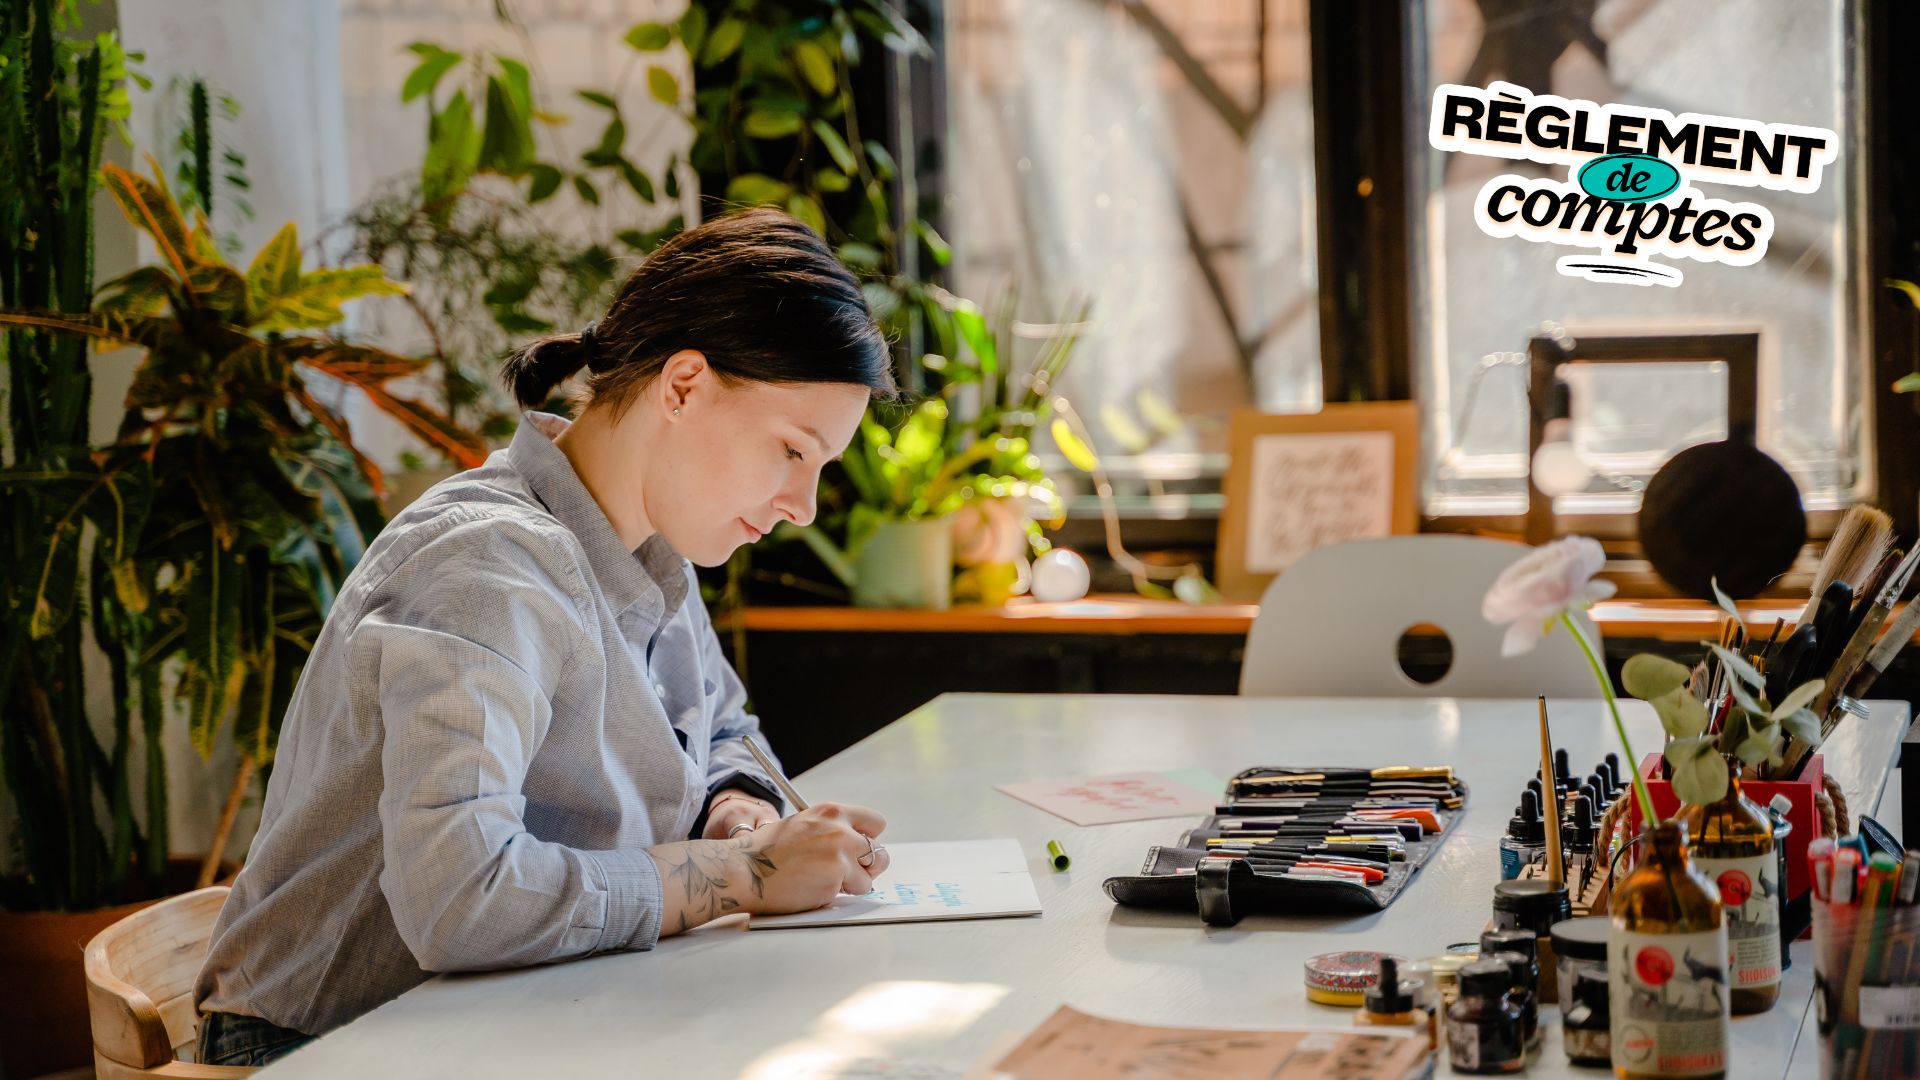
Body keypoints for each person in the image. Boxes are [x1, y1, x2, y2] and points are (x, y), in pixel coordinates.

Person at [193, 208, 898, 1066]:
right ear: (683, 386)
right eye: (792, 450)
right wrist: (743, 878)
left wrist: (733, 811)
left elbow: (720, 726)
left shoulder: (655, 546)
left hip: (517, 1018)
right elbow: (460, 894)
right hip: (326, 1047)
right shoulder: (487, 569)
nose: (804, 506)